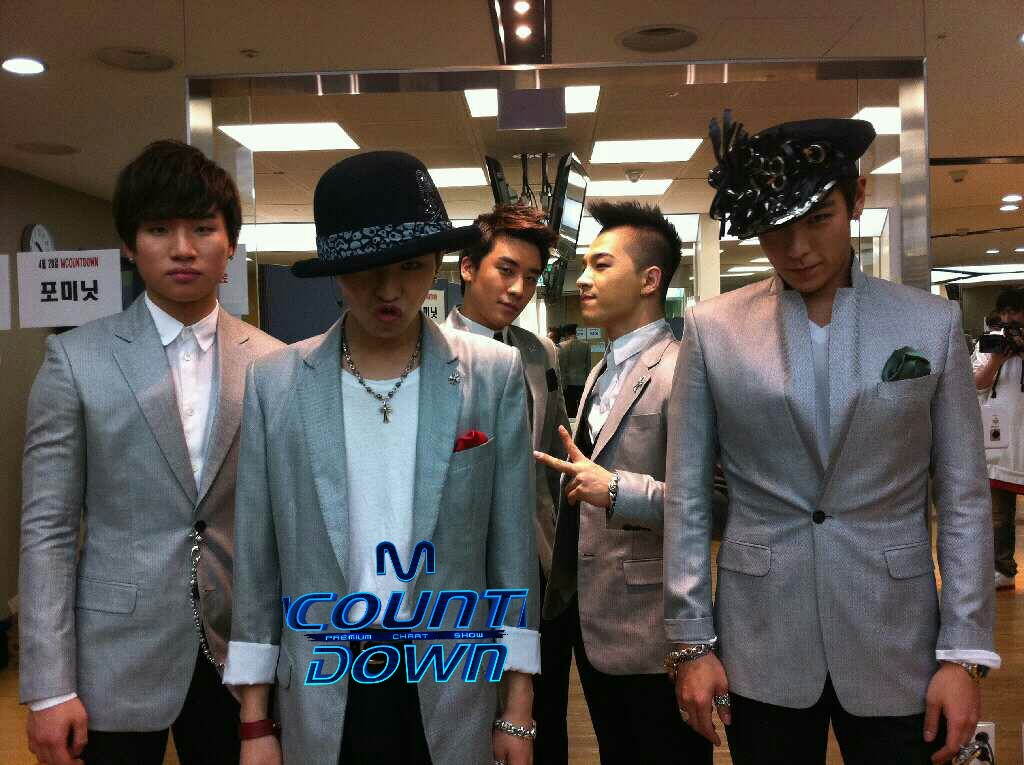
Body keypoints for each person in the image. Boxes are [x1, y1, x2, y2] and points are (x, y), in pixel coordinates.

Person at [666, 112, 999, 765]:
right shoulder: (713, 329)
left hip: (896, 634)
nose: (798, 248)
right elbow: (686, 496)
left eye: (818, 218)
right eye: (776, 229)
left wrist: (964, 654)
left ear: (858, 200)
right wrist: (691, 642)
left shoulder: (930, 325)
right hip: (760, 635)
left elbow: (964, 497)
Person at [223, 151, 540, 765]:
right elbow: (259, 559)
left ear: (437, 264)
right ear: (336, 273)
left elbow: (512, 553)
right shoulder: (275, 382)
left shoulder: (492, 375)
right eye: (367, 270)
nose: (390, 290)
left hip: (453, 674)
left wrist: (518, 707)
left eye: (411, 266)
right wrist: (255, 721)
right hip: (325, 675)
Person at [19, 139, 283, 765]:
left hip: (240, 658)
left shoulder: (276, 362)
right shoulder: (75, 359)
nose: (183, 248)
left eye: (203, 229)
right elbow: (48, 528)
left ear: (230, 244)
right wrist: (49, 686)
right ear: (129, 245)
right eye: (160, 229)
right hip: (112, 658)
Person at [535, 201, 711, 764]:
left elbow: (715, 502)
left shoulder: (682, 369)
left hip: (655, 627)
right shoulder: (599, 369)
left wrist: (615, 490)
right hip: (596, 618)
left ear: (650, 280)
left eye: (602, 265)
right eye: (585, 265)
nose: (583, 280)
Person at [443, 204, 573, 761]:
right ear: (468, 267)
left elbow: (552, 458)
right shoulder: (430, 353)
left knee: (546, 721)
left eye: (532, 276)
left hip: (539, 571)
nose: (519, 288)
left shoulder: (538, 352)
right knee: (469, 719)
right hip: (463, 575)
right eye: (506, 269)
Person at [973, 286, 1024, 591]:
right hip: (1000, 443)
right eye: (1003, 312)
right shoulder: (990, 343)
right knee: (998, 515)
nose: (1008, 319)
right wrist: (996, 361)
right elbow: (975, 386)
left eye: (1014, 311)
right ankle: (1002, 570)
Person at [558, 323, 591, 415]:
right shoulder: (586, 345)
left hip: (567, 383)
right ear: (575, 332)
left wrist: (562, 384)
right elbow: (588, 366)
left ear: (566, 333)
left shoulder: (561, 346)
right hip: (582, 382)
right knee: (582, 409)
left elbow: (561, 367)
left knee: (570, 409)